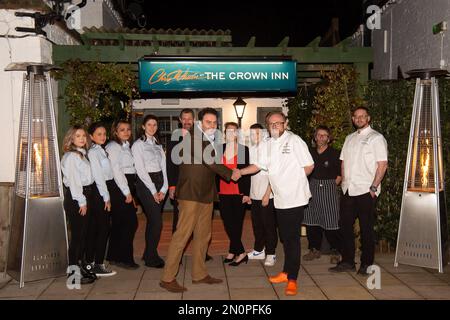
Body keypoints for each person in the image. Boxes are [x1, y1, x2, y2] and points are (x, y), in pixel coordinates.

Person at [160, 108, 240, 293]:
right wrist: (231, 174)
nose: (212, 125)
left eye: (214, 122)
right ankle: (167, 278)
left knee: (204, 235)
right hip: (190, 193)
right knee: (182, 235)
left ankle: (199, 274)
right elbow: (210, 161)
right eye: (208, 122)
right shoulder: (194, 137)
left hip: (205, 193)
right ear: (200, 123)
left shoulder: (211, 139)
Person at [237, 111, 314, 296]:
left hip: (295, 198)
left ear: (285, 123)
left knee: (292, 239)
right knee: (285, 238)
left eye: (278, 123)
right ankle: (286, 272)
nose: (275, 126)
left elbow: (309, 166)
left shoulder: (295, 141)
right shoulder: (267, 144)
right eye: (271, 124)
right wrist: (241, 172)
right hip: (279, 198)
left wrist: (293, 182)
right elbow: (258, 166)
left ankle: (292, 278)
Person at [329, 107, 388, 276]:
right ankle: (348, 261)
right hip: (348, 189)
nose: (359, 119)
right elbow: (343, 162)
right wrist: (343, 182)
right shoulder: (349, 138)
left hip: (366, 190)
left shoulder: (376, 138)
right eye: (356, 117)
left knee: (366, 228)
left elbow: (382, 165)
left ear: (368, 118)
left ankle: (367, 264)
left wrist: (374, 187)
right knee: (345, 227)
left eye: (363, 116)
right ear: (353, 119)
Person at [166, 108, 213, 262]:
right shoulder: (175, 138)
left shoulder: (201, 135)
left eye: (189, 119)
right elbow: (171, 164)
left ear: (194, 121)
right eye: (184, 119)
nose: (187, 121)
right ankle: (176, 258)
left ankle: (201, 254)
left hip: (201, 187)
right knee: (180, 223)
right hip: (182, 186)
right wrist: (172, 185)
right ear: (180, 120)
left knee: (201, 223)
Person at [61, 126, 97, 284]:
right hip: (77, 198)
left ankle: (80, 268)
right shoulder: (71, 157)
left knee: (83, 235)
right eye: (77, 136)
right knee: (77, 237)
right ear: (71, 139)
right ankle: (73, 274)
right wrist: (82, 201)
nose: (82, 138)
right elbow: (74, 182)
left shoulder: (82, 154)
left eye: (83, 135)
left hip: (85, 195)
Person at [132, 114, 168, 268]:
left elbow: (164, 168)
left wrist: (164, 188)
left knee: (153, 221)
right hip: (145, 184)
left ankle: (148, 253)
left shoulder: (158, 145)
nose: (152, 128)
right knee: (157, 222)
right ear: (143, 127)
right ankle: (151, 257)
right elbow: (140, 170)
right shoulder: (138, 145)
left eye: (154, 125)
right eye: (149, 125)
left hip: (159, 181)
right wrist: (153, 190)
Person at [303, 125, 342, 264]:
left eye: (324, 135)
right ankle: (314, 249)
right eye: (319, 135)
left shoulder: (335, 153)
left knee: (331, 221)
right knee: (311, 221)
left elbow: (340, 173)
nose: (321, 137)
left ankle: (336, 251)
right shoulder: (309, 152)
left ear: (329, 138)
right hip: (311, 187)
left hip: (328, 188)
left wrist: (331, 185)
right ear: (315, 137)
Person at [105, 120, 139, 270]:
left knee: (120, 223)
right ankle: (125, 258)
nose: (126, 132)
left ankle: (114, 256)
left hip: (127, 184)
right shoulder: (113, 147)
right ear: (115, 132)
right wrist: (126, 192)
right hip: (119, 186)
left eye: (128, 129)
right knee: (130, 223)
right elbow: (116, 170)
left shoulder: (126, 146)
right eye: (122, 130)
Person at [216, 122, 251, 266]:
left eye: (234, 131)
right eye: (228, 131)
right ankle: (240, 251)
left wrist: (247, 193)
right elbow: (215, 172)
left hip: (238, 192)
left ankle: (235, 251)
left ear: (237, 133)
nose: (231, 134)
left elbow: (247, 173)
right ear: (225, 133)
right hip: (222, 191)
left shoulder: (244, 150)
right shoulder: (219, 149)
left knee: (237, 224)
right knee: (228, 223)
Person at [85, 122, 117, 277]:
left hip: (104, 189)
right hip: (99, 192)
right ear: (91, 136)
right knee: (102, 229)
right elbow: (98, 177)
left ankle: (92, 262)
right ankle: (97, 264)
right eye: (99, 134)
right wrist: (106, 198)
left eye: (104, 134)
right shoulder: (93, 152)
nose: (103, 136)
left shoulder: (101, 150)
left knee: (98, 228)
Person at [246, 123, 278, 267]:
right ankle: (259, 250)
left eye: (258, 133)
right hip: (254, 195)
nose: (255, 136)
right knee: (257, 224)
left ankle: (271, 253)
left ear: (264, 134)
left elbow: (274, 174)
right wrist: (248, 194)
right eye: (252, 134)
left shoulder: (269, 150)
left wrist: (267, 194)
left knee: (269, 226)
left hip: (267, 196)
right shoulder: (251, 149)